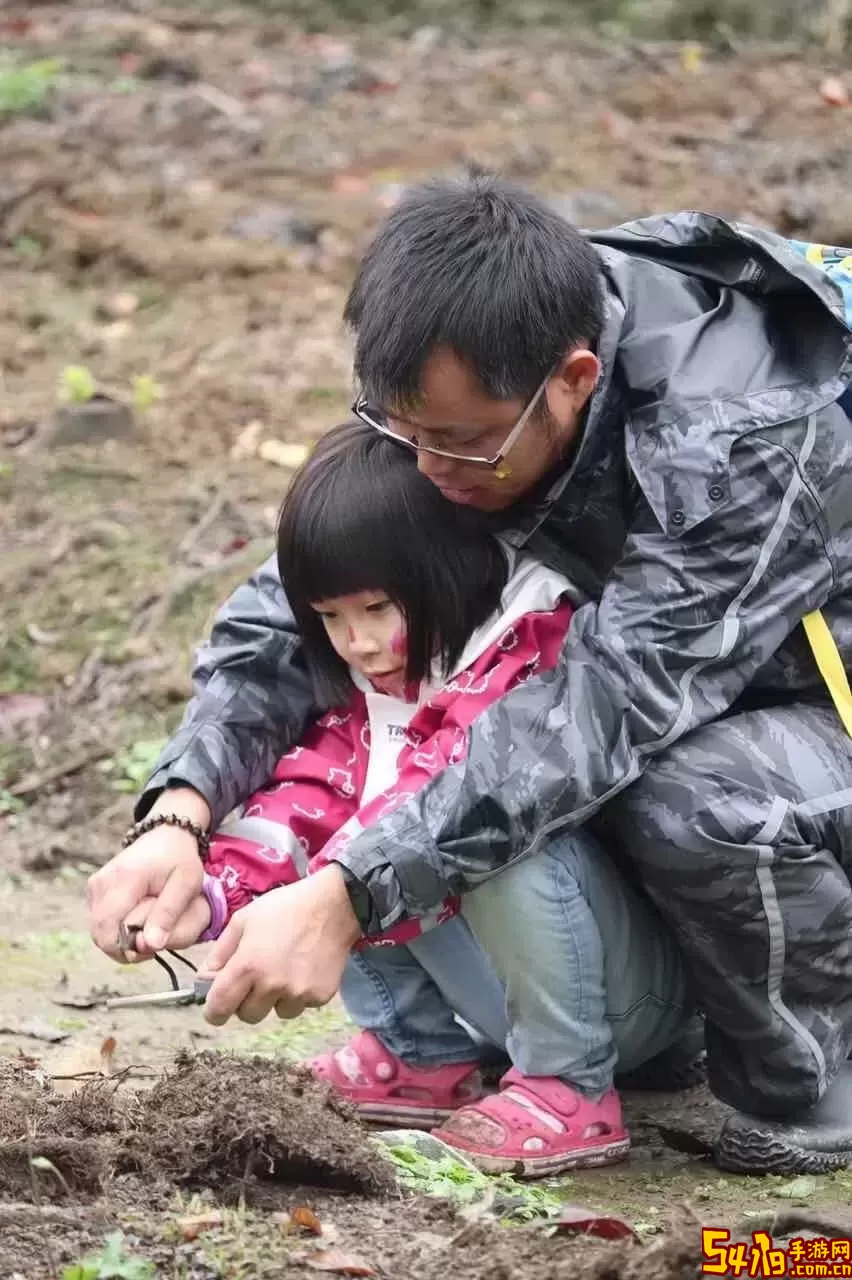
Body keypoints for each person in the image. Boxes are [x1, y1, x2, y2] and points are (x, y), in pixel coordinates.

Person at [88, 174, 852, 1176]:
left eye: (455, 441)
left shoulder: (737, 437)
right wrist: (181, 811)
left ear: (574, 379)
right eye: (400, 429)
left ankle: (813, 1075)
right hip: (669, 671)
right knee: (441, 747)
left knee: (686, 793)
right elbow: (302, 597)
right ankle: (653, 1028)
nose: (423, 465)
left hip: (806, 692)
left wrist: (348, 894)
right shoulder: (469, 364)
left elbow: (605, 708)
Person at [118, 419, 692, 1175]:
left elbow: (453, 796)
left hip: (623, 1001)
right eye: (329, 619)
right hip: (500, 996)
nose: (353, 642)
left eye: (375, 610)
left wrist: (334, 887)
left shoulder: (526, 642)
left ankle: (568, 1085)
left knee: (476, 833)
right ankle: (417, 1054)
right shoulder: (386, 675)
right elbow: (317, 790)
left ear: (446, 571)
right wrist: (218, 893)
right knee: (351, 825)